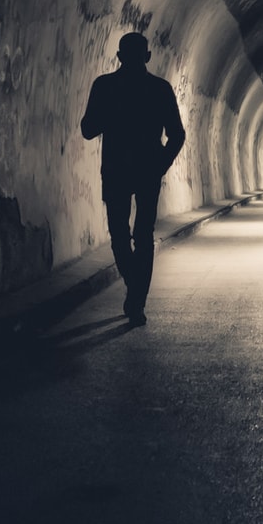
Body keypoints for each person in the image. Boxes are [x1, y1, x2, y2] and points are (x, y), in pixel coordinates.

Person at [80, 32, 185, 326]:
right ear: (148, 56)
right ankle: (137, 298)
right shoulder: (160, 89)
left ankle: (134, 290)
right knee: (143, 236)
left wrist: (107, 115)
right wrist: (162, 163)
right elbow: (177, 134)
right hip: (148, 170)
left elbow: (88, 129)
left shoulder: (105, 86)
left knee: (119, 234)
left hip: (115, 170)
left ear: (119, 56)